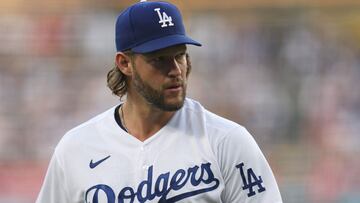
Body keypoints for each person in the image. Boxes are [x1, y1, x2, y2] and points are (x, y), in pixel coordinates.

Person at [36, 0, 283, 202]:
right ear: (125, 63)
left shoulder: (226, 141)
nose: (175, 70)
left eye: (180, 56)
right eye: (159, 59)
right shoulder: (76, 149)